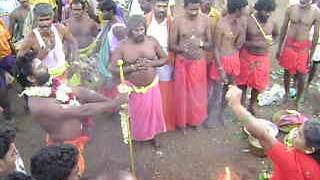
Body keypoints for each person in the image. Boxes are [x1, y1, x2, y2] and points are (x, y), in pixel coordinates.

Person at [16, 52, 127, 176]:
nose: (46, 67)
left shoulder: (50, 83)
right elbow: (81, 111)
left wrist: (109, 102)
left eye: (43, 64)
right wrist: (113, 104)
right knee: (74, 173)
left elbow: (81, 92)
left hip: (78, 135)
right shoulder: (39, 105)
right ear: (31, 78)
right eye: (40, 68)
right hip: (66, 147)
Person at [226, 85, 320, 180]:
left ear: (310, 149)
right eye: (298, 129)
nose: (294, 133)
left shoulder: (291, 162)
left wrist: (236, 105)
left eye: (300, 135)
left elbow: (262, 136)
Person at [109, 15, 167, 147]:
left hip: (151, 86)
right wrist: (131, 68)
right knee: (136, 115)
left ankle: (154, 135)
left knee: (154, 113)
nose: (140, 33)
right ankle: (135, 137)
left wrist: (152, 63)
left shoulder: (152, 41)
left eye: (142, 29)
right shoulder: (122, 46)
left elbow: (164, 59)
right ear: (130, 31)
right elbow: (111, 68)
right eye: (136, 30)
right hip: (133, 88)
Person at [170, 0, 212, 131]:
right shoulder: (177, 21)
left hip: (198, 63)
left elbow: (210, 43)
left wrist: (200, 44)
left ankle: (196, 121)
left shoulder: (206, 20)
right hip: (182, 63)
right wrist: (182, 49)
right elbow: (171, 45)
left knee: (198, 94)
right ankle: (182, 123)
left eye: (196, 9)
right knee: (181, 94)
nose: (193, 12)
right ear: (184, 7)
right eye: (190, 10)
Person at [208, 0, 247, 126]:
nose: (246, 11)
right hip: (222, 61)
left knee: (229, 89)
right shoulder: (221, 25)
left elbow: (239, 45)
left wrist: (242, 29)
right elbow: (216, 48)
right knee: (217, 92)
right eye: (244, 8)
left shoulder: (239, 24)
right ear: (237, 10)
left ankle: (221, 114)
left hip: (234, 59)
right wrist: (220, 68)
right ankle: (209, 116)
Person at [236, 0, 279, 114]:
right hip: (247, 56)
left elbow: (276, 36)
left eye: (270, 11)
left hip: (262, 57)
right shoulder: (248, 21)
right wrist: (253, 44)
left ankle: (252, 104)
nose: (268, 14)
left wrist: (272, 42)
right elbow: (239, 41)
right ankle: (242, 103)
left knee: (258, 84)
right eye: (265, 11)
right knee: (242, 82)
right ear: (258, 9)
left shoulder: (273, 22)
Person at [18, 3, 78, 80]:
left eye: (47, 19)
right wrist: (43, 54)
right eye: (41, 20)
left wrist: (75, 61)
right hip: (46, 77)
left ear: (52, 18)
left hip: (65, 71)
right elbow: (20, 61)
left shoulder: (60, 28)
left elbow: (73, 42)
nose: (45, 23)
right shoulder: (31, 37)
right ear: (36, 20)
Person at [276, 0, 320, 107]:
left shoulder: (316, 12)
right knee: (287, 71)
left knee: (302, 75)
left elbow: (315, 35)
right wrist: (279, 47)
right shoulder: (291, 8)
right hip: (289, 45)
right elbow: (283, 28)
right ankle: (286, 94)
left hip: (303, 47)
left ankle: (298, 100)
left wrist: (311, 54)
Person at [145, 0, 175, 131]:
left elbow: (174, 44)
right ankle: (149, 123)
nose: (162, 9)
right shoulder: (145, 20)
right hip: (147, 62)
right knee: (148, 92)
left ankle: (163, 123)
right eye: (159, 6)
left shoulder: (171, 22)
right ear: (152, 6)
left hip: (166, 61)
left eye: (165, 6)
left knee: (165, 93)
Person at [64, 0, 100, 87]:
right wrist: (67, 57)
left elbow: (98, 39)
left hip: (88, 57)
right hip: (73, 56)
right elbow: (65, 43)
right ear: (70, 10)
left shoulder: (91, 23)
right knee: (73, 84)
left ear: (83, 10)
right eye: (74, 10)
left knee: (89, 84)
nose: (76, 12)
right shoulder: (66, 24)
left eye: (78, 10)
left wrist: (94, 55)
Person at [98, 0, 126, 101]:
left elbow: (124, 47)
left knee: (113, 91)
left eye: (103, 12)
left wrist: (114, 66)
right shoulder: (111, 23)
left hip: (114, 64)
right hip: (110, 62)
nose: (101, 14)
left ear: (111, 12)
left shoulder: (117, 28)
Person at [0, 19, 16, 123]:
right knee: (2, 90)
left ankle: (30, 100)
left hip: (6, 57)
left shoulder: (0, 22)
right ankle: (8, 116)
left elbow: (9, 40)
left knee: (22, 75)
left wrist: (15, 54)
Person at [307, 0, 320, 90]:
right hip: (308, 38)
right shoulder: (313, 8)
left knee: (315, 64)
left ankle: (307, 84)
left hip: (318, 42)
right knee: (303, 61)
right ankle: (296, 83)